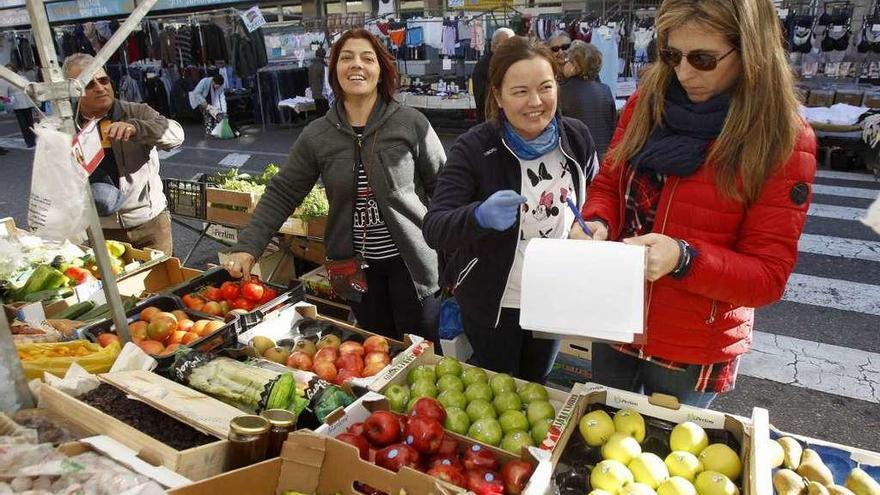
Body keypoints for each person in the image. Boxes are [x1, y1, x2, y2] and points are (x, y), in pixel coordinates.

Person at [571, 0, 817, 407]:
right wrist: (597, 221)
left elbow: (768, 275)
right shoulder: (646, 103)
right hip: (614, 312)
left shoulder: (782, 139)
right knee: (599, 442)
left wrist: (684, 258)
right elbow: (609, 185)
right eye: (671, 55)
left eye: (702, 59)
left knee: (671, 459)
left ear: (750, 51)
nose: (683, 73)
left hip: (692, 342)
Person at [225, 28, 446, 344]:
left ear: (381, 70)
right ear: (334, 71)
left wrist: (454, 256)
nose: (357, 64)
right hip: (356, 270)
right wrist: (249, 245)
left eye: (367, 58)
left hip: (412, 266)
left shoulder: (410, 123)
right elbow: (284, 190)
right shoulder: (318, 135)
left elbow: (444, 187)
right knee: (376, 350)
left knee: (422, 350)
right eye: (346, 58)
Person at [423, 37, 599, 383]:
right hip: (494, 302)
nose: (535, 102)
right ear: (498, 96)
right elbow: (435, 226)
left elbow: (593, 197)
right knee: (500, 384)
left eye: (545, 88)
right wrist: (477, 216)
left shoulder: (575, 137)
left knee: (538, 382)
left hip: (553, 296)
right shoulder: (474, 148)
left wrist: (594, 222)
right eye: (520, 92)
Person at [62, 53, 184, 254]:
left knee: (162, 283)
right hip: (101, 228)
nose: (100, 88)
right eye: (89, 84)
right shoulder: (67, 126)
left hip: (149, 222)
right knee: (115, 284)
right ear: (73, 91)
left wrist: (138, 129)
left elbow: (176, 134)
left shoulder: (136, 112)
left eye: (103, 80)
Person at [559, 41, 617, 162]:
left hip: (576, 155)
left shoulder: (562, 91)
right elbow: (612, 124)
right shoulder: (605, 90)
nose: (564, 64)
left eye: (567, 61)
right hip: (604, 156)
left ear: (575, 65)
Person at [472, 28, 514, 123]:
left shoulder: (505, 62)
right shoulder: (484, 66)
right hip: (491, 123)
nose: (513, 49)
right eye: (510, 45)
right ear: (495, 46)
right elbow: (484, 99)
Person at [6, 66, 37, 148]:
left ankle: (34, 139)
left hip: (26, 102)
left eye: (10, 69)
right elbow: (4, 93)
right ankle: (29, 142)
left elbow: (28, 86)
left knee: (30, 122)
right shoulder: (6, 80)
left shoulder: (22, 77)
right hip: (17, 104)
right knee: (23, 124)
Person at [309, 47, 330, 117]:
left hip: (315, 93)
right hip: (323, 94)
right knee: (325, 113)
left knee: (319, 113)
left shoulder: (311, 66)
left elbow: (310, 80)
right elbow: (326, 81)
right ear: (323, 55)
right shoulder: (324, 66)